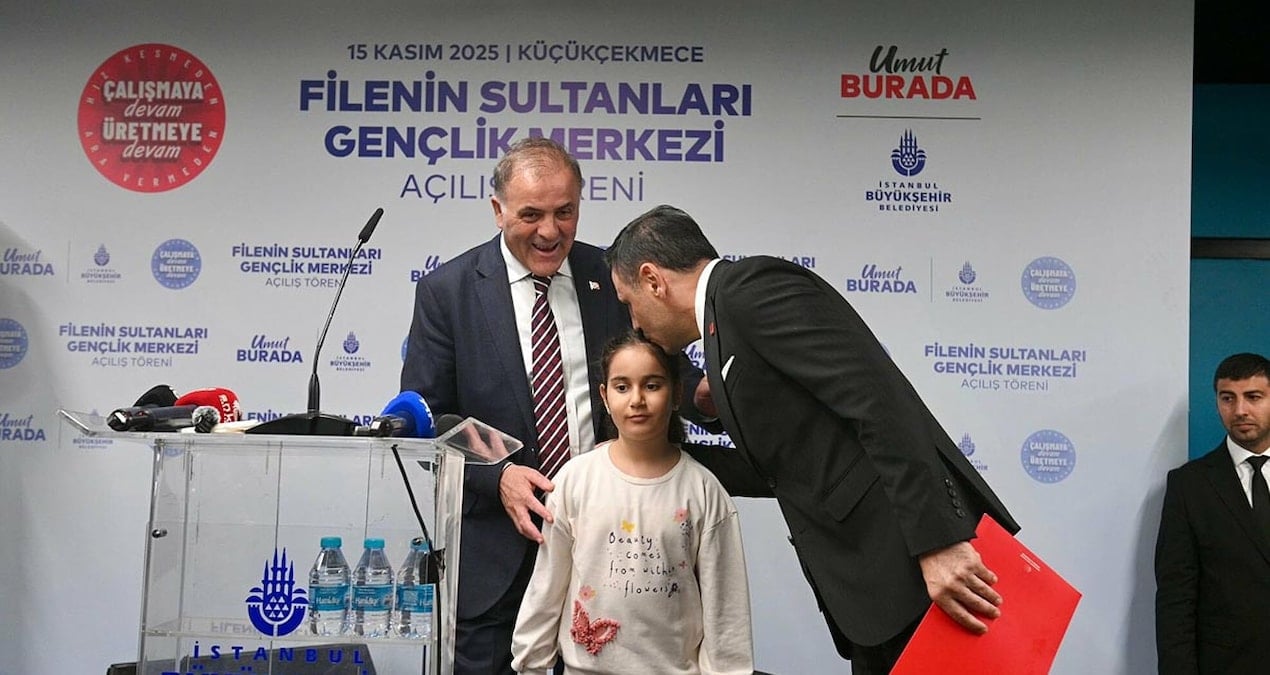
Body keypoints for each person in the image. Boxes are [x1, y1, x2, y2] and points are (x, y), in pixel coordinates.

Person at [602, 204, 1020, 675]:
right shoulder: (722, 326)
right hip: (872, 591)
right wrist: (646, 459)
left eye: (628, 302)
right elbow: (784, 468)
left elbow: (878, 403)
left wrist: (939, 542)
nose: (635, 323)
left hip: (915, 567)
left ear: (653, 280)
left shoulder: (750, 290)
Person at [400, 138, 631, 674]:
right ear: (498, 210)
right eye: (531, 215)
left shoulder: (611, 276)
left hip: (607, 546)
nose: (550, 231)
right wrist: (498, 474)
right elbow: (429, 417)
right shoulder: (448, 290)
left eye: (564, 212)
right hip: (493, 557)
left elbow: (655, 373)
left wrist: (706, 397)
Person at [511, 330, 753, 675]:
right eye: (622, 387)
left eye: (652, 385)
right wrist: (530, 664)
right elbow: (546, 587)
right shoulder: (575, 480)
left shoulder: (703, 490)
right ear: (605, 396)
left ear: (677, 394)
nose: (637, 399)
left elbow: (725, 611)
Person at [1155, 352, 1270, 675]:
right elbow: (1176, 598)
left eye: (1253, 397)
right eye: (1227, 398)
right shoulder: (1189, 485)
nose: (1240, 410)